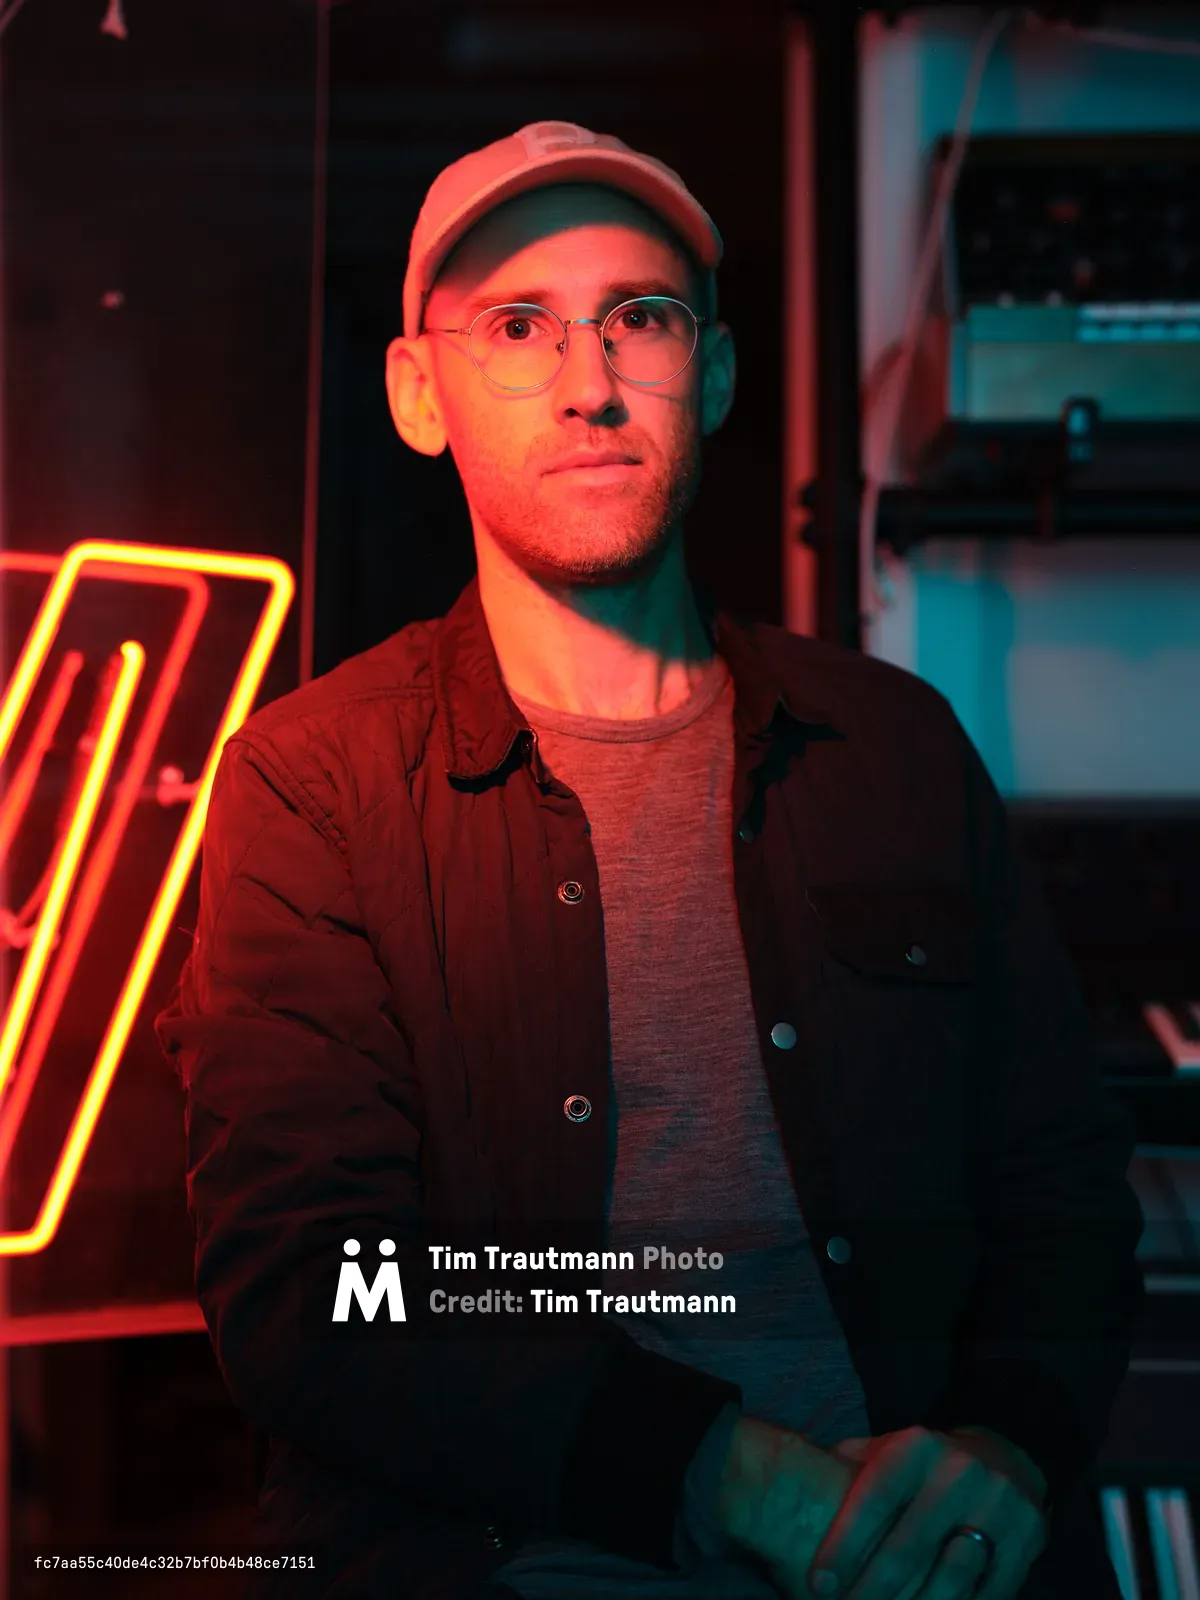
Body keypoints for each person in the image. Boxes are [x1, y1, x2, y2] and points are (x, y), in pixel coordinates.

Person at [154, 121, 1145, 1600]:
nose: (591, 380)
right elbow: (312, 1291)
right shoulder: (315, 786)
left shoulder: (897, 749)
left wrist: (1004, 1448)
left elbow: (1063, 1199)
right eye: (519, 327)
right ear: (419, 396)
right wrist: (745, 1477)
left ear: (718, 374)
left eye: (643, 318)